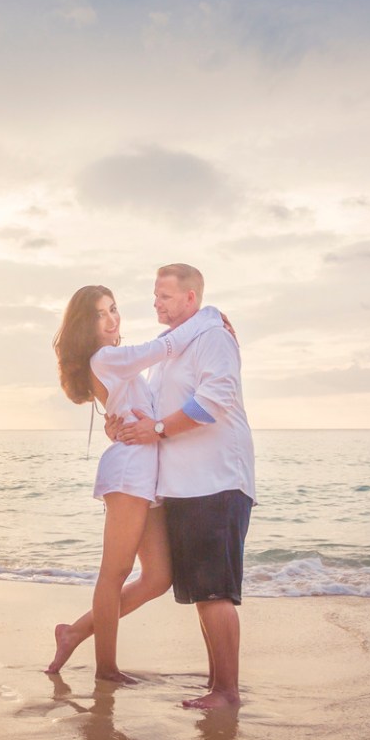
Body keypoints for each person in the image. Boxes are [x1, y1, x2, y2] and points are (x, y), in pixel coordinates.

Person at [47, 284, 226, 684]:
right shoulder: (106, 357)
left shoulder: (113, 363)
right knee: (115, 572)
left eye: (114, 309)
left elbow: (133, 409)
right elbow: (162, 348)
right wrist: (208, 315)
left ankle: (74, 631)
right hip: (130, 473)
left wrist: (121, 425)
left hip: (148, 475)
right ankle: (106, 668)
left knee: (158, 577)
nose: (112, 319)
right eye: (100, 313)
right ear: (84, 324)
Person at [110, 263, 255, 709]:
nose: (156, 303)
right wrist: (130, 425)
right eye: (155, 296)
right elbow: (157, 411)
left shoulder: (212, 336)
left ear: (191, 298)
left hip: (216, 479)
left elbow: (215, 398)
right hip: (187, 485)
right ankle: (217, 687)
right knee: (204, 594)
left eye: (165, 296)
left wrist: (156, 427)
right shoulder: (174, 351)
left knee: (215, 592)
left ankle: (226, 692)